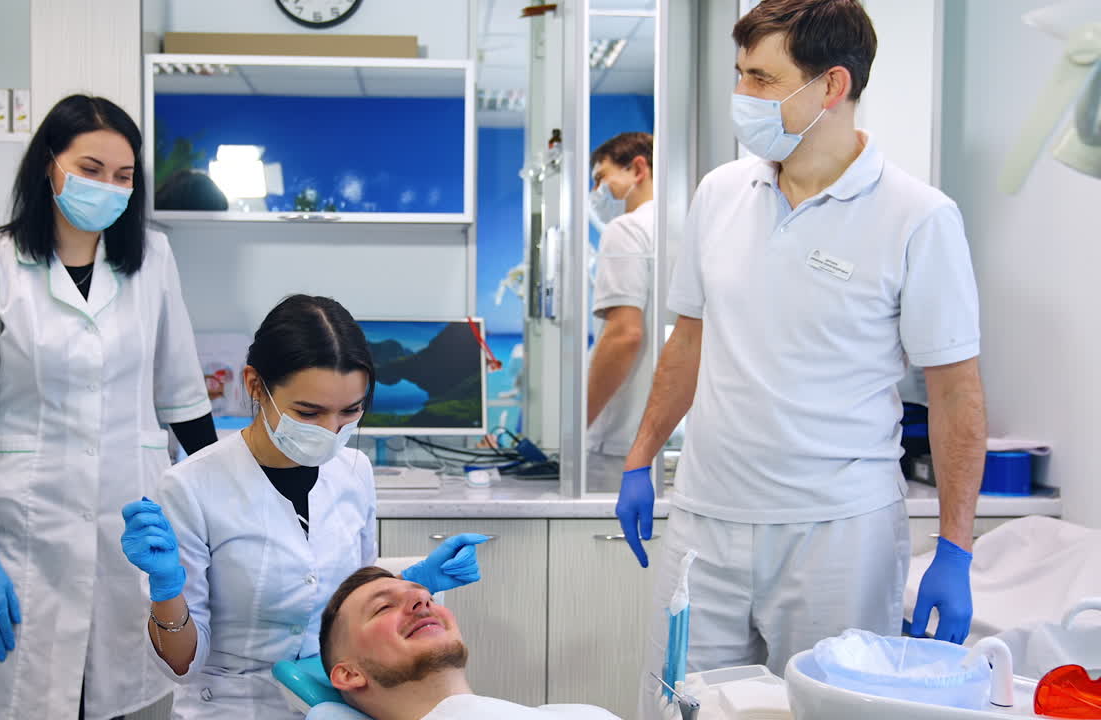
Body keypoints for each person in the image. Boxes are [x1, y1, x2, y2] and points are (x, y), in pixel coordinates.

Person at [614, 0, 987, 712]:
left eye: (761, 78)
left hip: (839, 533)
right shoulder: (720, 193)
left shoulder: (918, 216)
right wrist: (641, 456)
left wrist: (956, 546)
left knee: (826, 710)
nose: (742, 95)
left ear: (832, 86)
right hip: (706, 518)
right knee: (676, 706)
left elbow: (955, 392)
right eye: (740, 74)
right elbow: (689, 340)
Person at [0, 94, 219, 720]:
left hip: (129, 530)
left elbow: (184, 399)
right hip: (20, 538)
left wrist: (227, 513)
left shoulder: (152, 260)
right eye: (90, 169)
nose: (108, 187)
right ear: (49, 165)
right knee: (24, 700)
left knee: (121, 696)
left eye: (123, 175)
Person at [119, 294, 490, 720]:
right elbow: (182, 664)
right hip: (231, 707)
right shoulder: (190, 487)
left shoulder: (354, 471)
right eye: (309, 412)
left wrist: (410, 583)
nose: (331, 431)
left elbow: (347, 608)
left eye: (350, 411)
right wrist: (167, 591)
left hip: (336, 700)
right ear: (255, 385)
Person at [319, 566, 622, 720]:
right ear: (349, 674)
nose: (423, 600)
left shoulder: (575, 713)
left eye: (428, 597)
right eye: (383, 607)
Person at [585, 132, 657, 492]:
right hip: (670, 440)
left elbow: (625, 335)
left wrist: (578, 424)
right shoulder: (688, 228)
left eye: (602, 177)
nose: (597, 191)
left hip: (619, 443)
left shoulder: (626, 230)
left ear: (638, 169)